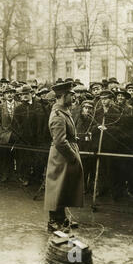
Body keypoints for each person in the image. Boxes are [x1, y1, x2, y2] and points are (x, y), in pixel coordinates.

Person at [45, 81, 84, 232]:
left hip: (65, 154)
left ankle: (62, 219)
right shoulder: (57, 114)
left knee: (64, 186)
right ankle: (53, 222)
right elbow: (60, 141)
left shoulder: (64, 110)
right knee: (57, 187)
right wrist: (72, 156)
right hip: (61, 156)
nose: (74, 97)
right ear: (63, 96)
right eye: (71, 95)